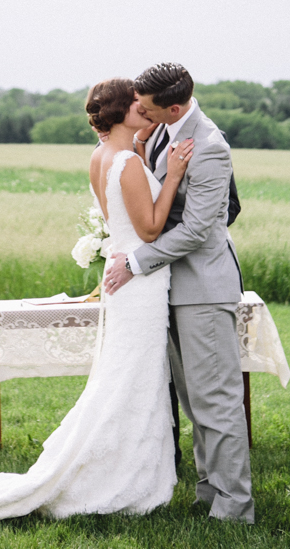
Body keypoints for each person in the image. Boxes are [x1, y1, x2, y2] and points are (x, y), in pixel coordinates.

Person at [0, 77, 193, 529]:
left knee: (126, 375)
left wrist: (143, 150)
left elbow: (121, 216)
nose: (145, 108)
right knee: (134, 376)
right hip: (140, 284)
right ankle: (124, 474)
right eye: (137, 104)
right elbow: (148, 231)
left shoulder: (102, 157)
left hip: (125, 283)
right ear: (121, 111)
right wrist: (175, 176)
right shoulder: (125, 162)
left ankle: (122, 462)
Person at [104, 62, 254, 524]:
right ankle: (209, 490)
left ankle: (234, 506)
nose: (141, 115)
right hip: (173, 287)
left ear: (173, 106)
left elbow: (196, 229)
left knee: (217, 399)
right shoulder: (164, 133)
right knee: (194, 399)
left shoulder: (209, 146)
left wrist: (136, 261)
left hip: (204, 288)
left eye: (147, 109)